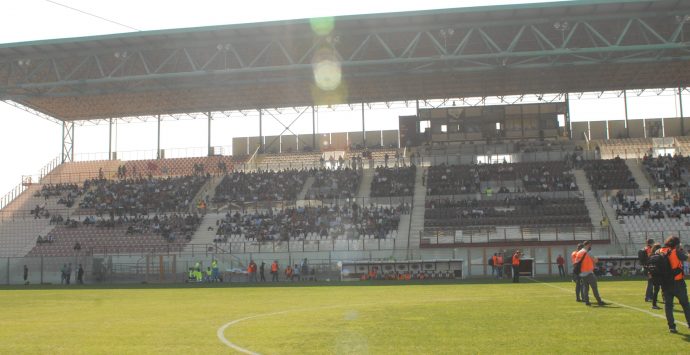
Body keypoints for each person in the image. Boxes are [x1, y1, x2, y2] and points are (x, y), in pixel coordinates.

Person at [658, 236, 690, 333]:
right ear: (676, 244)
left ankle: (672, 326)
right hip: (677, 282)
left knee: (668, 306)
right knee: (685, 305)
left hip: (665, 283)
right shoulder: (675, 251)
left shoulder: (660, 251)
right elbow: (688, 259)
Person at [575, 241, 608, 306]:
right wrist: (596, 259)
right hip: (589, 273)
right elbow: (595, 260)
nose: (590, 246)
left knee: (585, 288)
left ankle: (587, 302)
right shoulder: (588, 252)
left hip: (582, 273)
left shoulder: (578, 253)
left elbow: (576, 263)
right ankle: (599, 301)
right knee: (594, 288)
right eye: (590, 245)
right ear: (587, 245)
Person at [649, 243, 662, 310]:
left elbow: (649, 266)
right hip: (659, 275)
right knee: (664, 289)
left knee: (656, 290)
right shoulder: (659, 257)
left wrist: (650, 273)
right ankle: (667, 302)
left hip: (653, 275)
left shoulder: (651, 256)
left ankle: (654, 304)